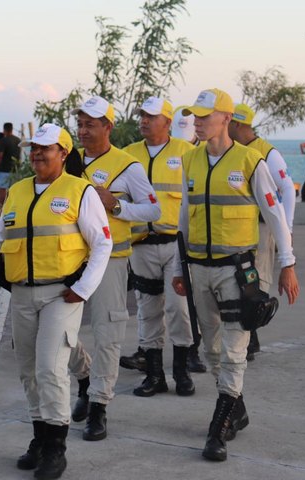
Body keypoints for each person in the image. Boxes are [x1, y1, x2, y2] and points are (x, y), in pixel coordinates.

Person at [170, 88, 299, 462]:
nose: (197, 120)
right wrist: (180, 268)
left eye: (205, 115)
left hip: (236, 271)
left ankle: (218, 429)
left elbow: (274, 214)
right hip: (198, 269)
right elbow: (183, 217)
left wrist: (287, 264)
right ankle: (236, 409)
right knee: (210, 349)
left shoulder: (249, 161)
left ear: (226, 118)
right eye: (195, 115)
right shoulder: (191, 160)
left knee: (233, 348)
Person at [0, 123, 112, 479]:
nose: (38, 153)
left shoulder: (79, 191)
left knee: (50, 368)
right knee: (28, 370)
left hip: (62, 294)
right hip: (21, 294)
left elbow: (102, 243)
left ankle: (56, 447)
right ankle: (40, 436)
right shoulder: (18, 191)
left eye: (46, 148)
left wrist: (83, 289)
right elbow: (0, 243)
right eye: (34, 147)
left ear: (64, 153)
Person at [66, 95, 160, 441]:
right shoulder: (68, 161)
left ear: (109, 126)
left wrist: (117, 205)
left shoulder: (128, 165)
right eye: (80, 123)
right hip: (69, 262)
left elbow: (153, 210)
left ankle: (99, 406)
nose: (84, 130)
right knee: (61, 331)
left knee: (107, 335)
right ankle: (84, 376)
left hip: (111, 262)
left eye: (91, 124)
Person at [118, 96, 199, 398]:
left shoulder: (187, 152)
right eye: (142, 115)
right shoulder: (127, 155)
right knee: (147, 309)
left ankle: (181, 371)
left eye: (151, 116)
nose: (143, 121)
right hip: (141, 244)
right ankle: (154, 375)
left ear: (167, 121)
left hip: (175, 245)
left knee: (178, 308)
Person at [228, 103, 295, 361]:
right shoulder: (234, 150)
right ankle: (246, 335)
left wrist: (286, 230)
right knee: (239, 279)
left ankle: (251, 336)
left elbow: (288, 189)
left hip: (261, 226)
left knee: (257, 279)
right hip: (238, 226)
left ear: (237, 124)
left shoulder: (266, 152)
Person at [0, 122, 21, 206]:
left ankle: (2, 206)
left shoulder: (4, 140)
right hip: (15, 169)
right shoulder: (18, 140)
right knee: (13, 190)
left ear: (4, 130)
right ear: (12, 129)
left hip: (4, 169)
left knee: (1, 189)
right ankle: (11, 206)